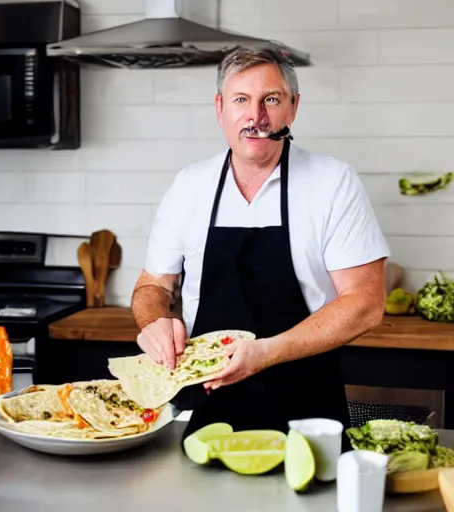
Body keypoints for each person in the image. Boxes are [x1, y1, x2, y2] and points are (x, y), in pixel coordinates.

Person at [130, 46, 390, 446]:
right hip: (208, 415)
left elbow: (366, 303)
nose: (256, 117)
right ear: (220, 109)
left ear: (293, 108)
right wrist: (152, 322)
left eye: (271, 99)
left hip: (308, 418)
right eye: (241, 100)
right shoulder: (190, 185)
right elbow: (153, 285)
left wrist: (265, 352)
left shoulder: (332, 182)